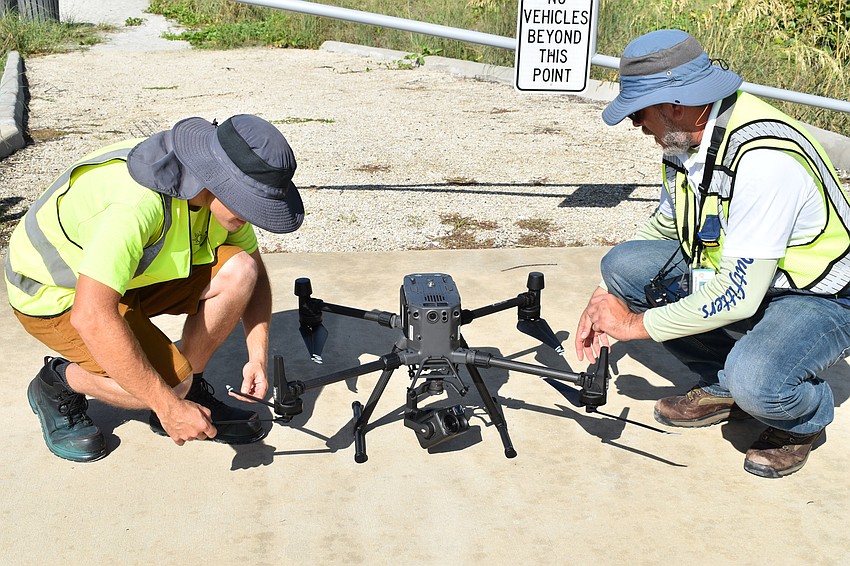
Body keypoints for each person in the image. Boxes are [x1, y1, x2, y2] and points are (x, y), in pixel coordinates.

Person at [575, 29, 850, 478]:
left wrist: (632, 325)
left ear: (674, 105)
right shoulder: (685, 143)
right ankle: (723, 386)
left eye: (638, 113)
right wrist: (604, 294)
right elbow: (666, 225)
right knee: (623, 265)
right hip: (746, 276)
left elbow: (739, 295)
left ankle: (802, 418)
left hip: (819, 294)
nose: (636, 125)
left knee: (757, 382)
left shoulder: (764, 159)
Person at [5, 114, 305, 462]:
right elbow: (92, 315)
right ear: (217, 180)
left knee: (241, 270)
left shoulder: (214, 195)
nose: (253, 216)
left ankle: (189, 390)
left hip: (122, 280)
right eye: (249, 203)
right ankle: (58, 381)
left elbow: (256, 276)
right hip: (56, 293)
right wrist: (167, 405)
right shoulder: (137, 203)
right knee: (167, 388)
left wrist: (257, 355)